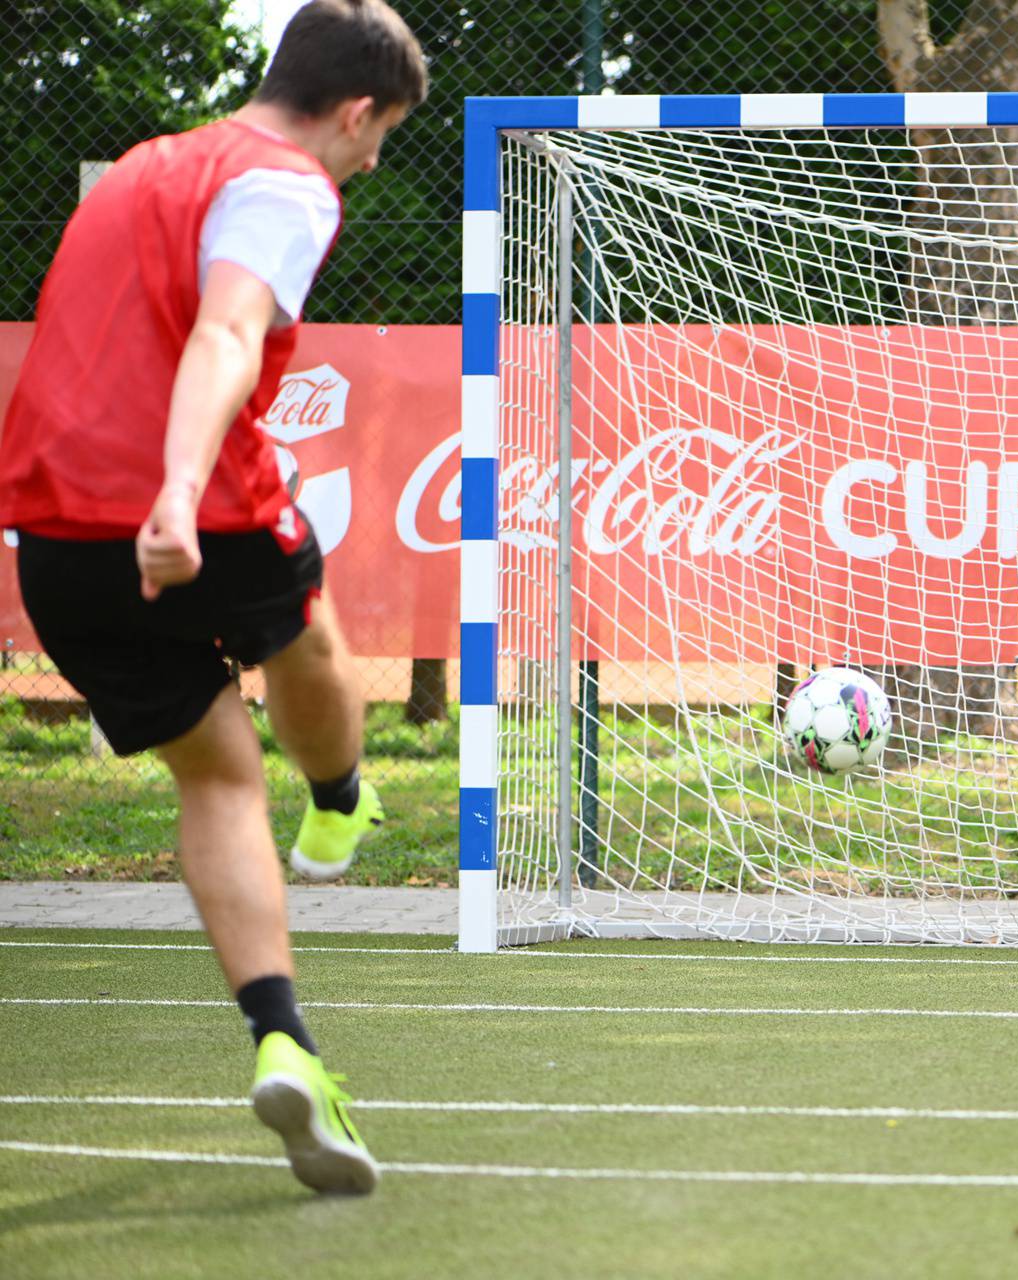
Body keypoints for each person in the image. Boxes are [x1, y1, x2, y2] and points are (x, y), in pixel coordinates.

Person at [0, 0, 427, 1191]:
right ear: (354, 112)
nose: (373, 156)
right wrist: (179, 490)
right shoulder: (289, 185)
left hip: (53, 530)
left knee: (220, 772)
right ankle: (342, 795)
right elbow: (229, 333)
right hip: (193, 506)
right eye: (379, 132)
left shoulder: (139, 168)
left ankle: (283, 1037)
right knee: (310, 625)